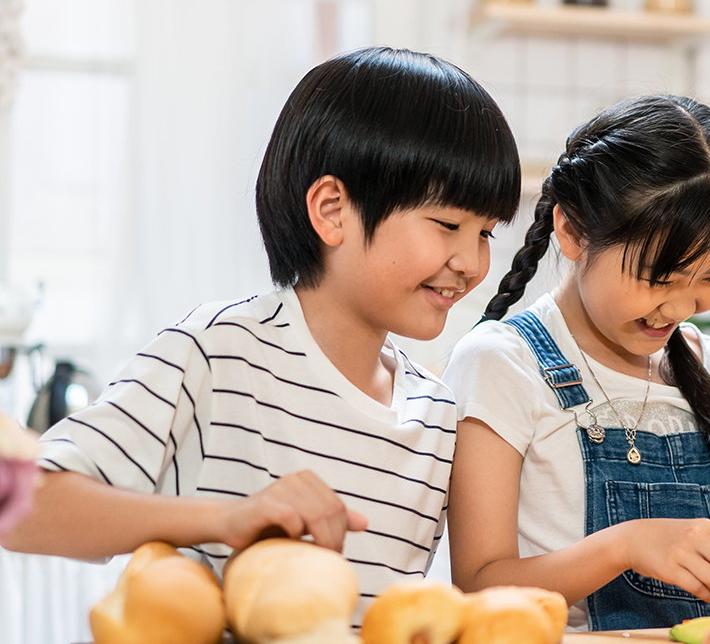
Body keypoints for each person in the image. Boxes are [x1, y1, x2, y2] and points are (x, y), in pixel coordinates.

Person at [1, 47, 520, 613]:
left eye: (486, 233)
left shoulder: (437, 414)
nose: (471, 262)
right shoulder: (216, 353)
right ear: (331, 210)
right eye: (447, 225)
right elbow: (22, 507)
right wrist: (224, 519)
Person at [445, 95, 710, 631]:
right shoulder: (503, 364)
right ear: (571, 232)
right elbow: (477, 586)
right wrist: (624, 545)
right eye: (659, 279)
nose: (681, 309)